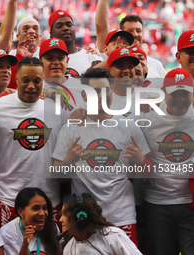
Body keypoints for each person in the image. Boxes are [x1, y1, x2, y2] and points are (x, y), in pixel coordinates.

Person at [52, 68, 152, 246]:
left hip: (121, 215)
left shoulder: (129, 126)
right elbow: (57, 176)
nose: (101, 96)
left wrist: (141, 162)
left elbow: (149, 173)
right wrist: (68, 161)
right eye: (95, 91)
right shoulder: (71, 128)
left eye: (105, 90)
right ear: (84, 94)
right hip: (84, 216)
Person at [0, 57, 61, 228]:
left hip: (49, 200)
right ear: (16, 79)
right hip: (9, 198)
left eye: (37, 81)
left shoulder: (57, 110)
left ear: (43, 80)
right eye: (26, 80)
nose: (31, 85)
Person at [141, 68, 194, 255]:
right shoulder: (147, 117)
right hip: (158, 204)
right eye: (175, 93)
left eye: (185, 93)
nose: (180, 98)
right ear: (164, 93)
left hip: (191, 203)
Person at [60, 193, 142, 255]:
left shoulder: (113, 237)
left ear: (81, 217)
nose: (60, 220)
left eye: (64, 215)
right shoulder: (69, 249)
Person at [0, 187, 61, 255]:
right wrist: (25, 246)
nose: (42, 213)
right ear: (20, 211)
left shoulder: (52, 227)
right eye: (36, 208)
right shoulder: (7, 233)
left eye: (45, 208)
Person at [48, 10, 102, 78]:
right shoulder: (44, 59)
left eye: (69, 25)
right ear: (51, 33)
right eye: (59, 26)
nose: (65, 28)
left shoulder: (92, 58)